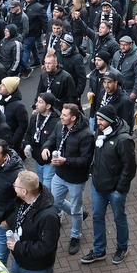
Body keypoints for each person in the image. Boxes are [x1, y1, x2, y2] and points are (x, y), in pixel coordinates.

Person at [80, 105, 136, 266]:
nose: (98, 123)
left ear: (110, 121)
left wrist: (120, 188)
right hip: (98, 186)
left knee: (119, 218)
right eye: (97, 119)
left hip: (115, 189)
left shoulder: (124, 140)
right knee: (97, 217)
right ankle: (99, 251)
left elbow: (130, 166)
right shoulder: (100, 132)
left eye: (101, 120)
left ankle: (122, 248)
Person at [43, 102, 93, 256]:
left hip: (76, 179)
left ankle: (75, 236)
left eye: (64, 115)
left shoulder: (86, 135)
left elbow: (85, 161)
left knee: (76, 210)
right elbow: (52, 139)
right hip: (59, 174)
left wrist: (65, 161)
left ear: (73, 118)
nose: (60, 117)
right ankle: (76, 213)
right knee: (54, 202)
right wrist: (46, 147)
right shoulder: (60, 126)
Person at [5, 170, 60, 273]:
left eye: (16, 184)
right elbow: (18, 216)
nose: (13, 185)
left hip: (36, 268)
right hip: (18, 260)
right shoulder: (22, 200)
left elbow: (47, 247)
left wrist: (18, 246)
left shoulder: (48, 217)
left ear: (25, 192)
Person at [23, 93, 60, 191]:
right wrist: (26, 144)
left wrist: (55, 156)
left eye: (40, 102)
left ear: (48, 106)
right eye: (37, 101)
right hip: (38, 159)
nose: (36, 104)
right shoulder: (35, 117)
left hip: (49, 161)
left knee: (46, 190)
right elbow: (28, 133)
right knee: (42, 186)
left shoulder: (57, 121)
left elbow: (59, 141)